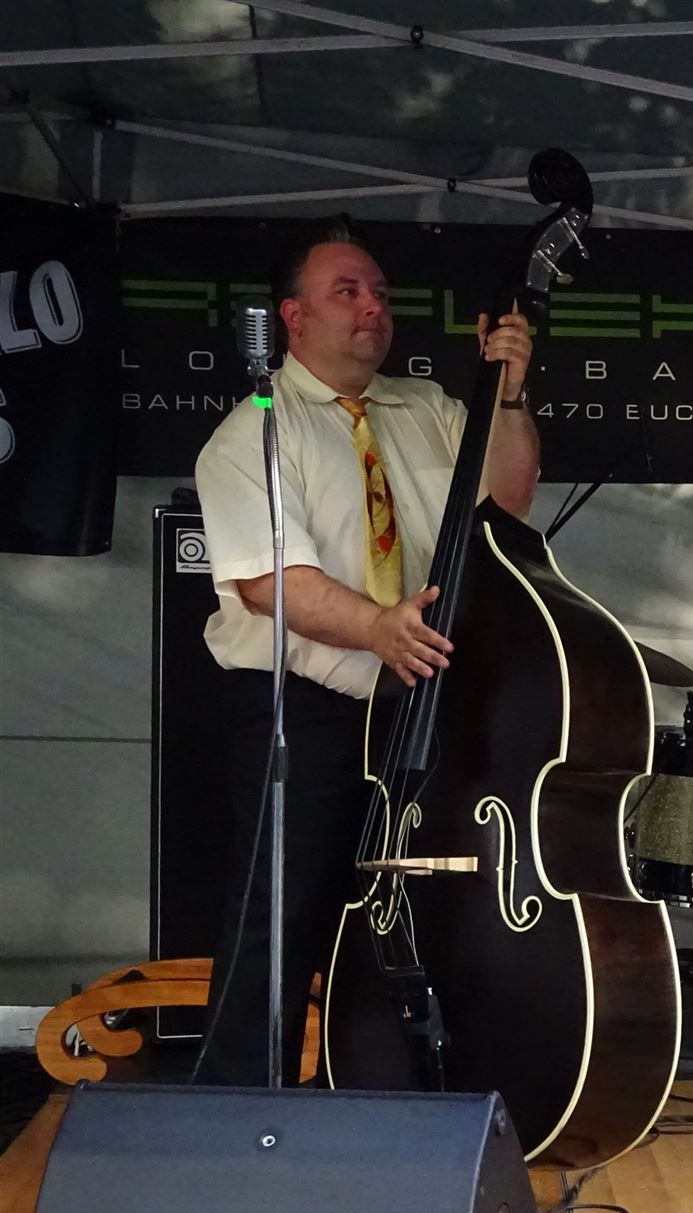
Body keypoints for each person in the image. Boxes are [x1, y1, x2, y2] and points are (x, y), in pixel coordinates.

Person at [192, 215, 539, 1086]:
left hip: (418, 704)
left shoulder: (427, 407)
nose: (372, 307)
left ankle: (389, 1087)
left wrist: (509, 394)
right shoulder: (256, 430)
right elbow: (272, 581)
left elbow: (510, 500)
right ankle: (241, 1105)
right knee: (281, 913)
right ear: (293, 317)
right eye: (346, 291)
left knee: (412, 905)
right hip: (303, 707)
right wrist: (379, 628)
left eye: (379, 292)